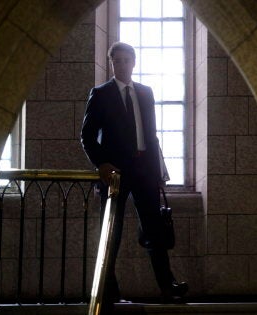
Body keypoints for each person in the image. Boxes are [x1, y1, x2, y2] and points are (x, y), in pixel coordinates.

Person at [80, 41, 188, 311]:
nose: (123, 64)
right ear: (112, 63)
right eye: (118, 60)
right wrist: (101, 164)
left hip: (145, 170)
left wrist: (160, 170)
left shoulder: (145, 93)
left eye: (127, 59)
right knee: (111, 232)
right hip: (115, 174)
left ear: (134, 62)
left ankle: (168, 287)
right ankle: (108, 290)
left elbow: (150, 135)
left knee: (155, 231)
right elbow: (87, 136)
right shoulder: (100, 94)